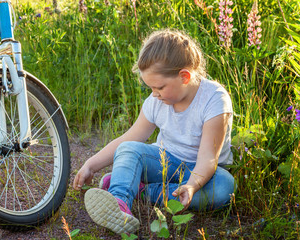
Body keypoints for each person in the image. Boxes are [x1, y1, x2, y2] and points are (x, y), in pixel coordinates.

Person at [73, 29, 235, 234]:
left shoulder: (214, 99)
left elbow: (208, 159)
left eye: (159, 87)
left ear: (184, 76)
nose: (154, 94)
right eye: (150, 88)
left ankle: (141, 190)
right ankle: (119, 201)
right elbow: (128, 140)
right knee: (129, 149)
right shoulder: (156, 102)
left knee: (224, 189)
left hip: (204, 172)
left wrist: (192, 186)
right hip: (165, 162)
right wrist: (90, 165)